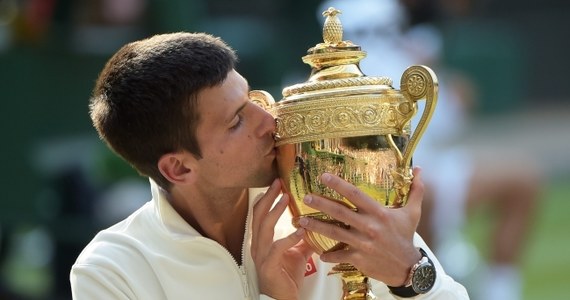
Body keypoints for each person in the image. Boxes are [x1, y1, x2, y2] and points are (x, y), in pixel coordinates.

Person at [69, 31, 468, 299]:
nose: (271, 121)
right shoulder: (111, 271)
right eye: (236, 121)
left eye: (250, 99)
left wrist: (410, 274)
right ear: (179, 169)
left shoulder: (330, 199)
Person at [316, 1, 542, 299]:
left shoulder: (414, 46)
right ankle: (433, 267)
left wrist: (452, 94)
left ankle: (499, 294)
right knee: (419, 199)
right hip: (381, 179)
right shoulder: (349, 32)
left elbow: (445, 120)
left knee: (522, 181)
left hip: (436, 164)